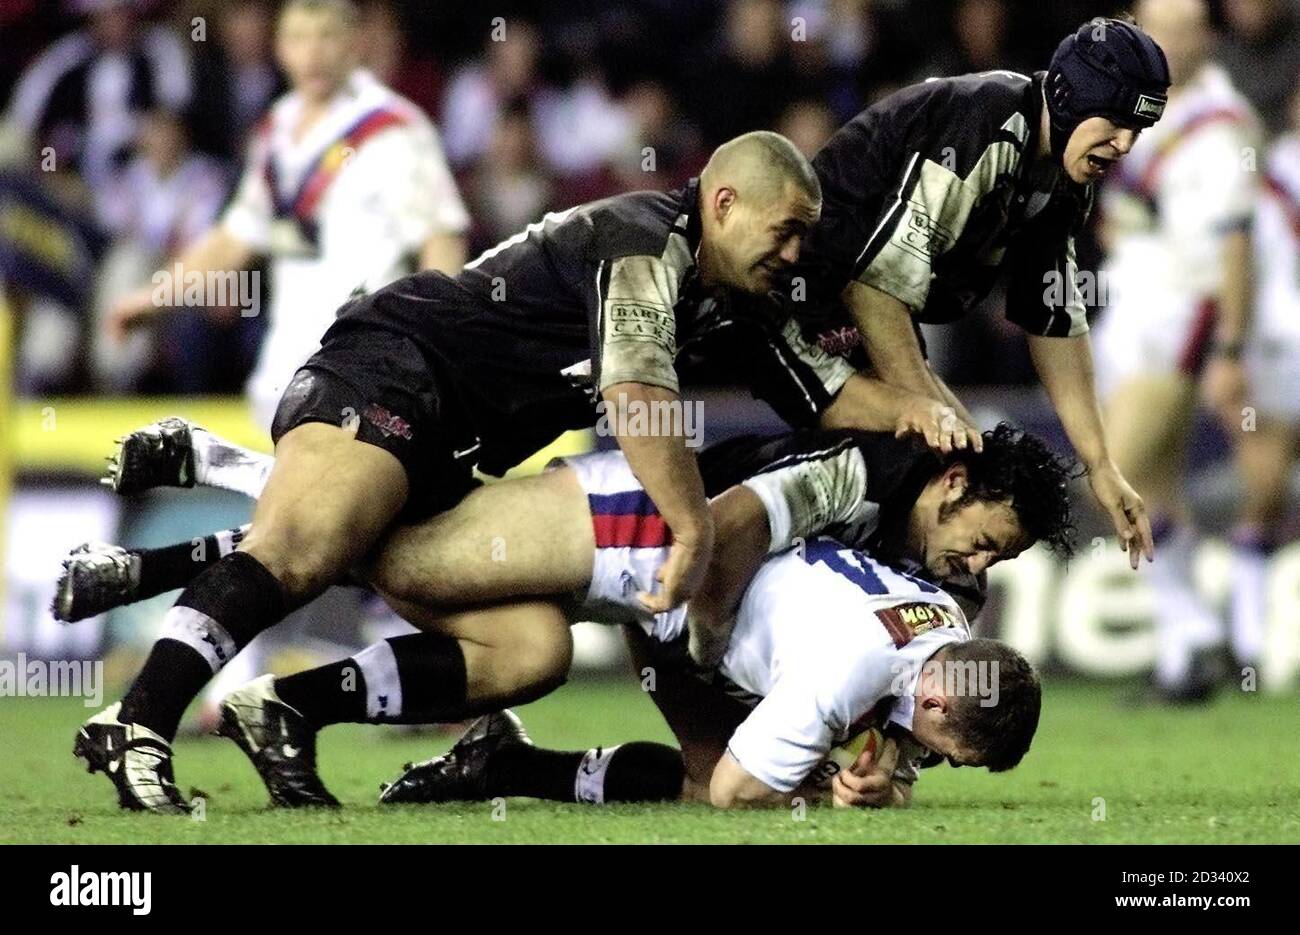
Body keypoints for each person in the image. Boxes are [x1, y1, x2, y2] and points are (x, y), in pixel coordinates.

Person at [70, 128, 952, 814]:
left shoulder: (733, 304)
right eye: (787, 231)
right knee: (310, 540)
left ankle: (281, 701)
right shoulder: (644, 239)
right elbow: (638, 391)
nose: (797, 254)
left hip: (456, 455)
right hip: (401, 367)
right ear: (723, 202)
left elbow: (834, 395)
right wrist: (692, 525)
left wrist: (934, 414)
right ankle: (139, 724)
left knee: (532, 649)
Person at [66, 421, 1071, 808]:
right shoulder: (861, 467)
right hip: (629, 527)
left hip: (660, 591)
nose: (982, 562)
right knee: (383, 546)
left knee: (529, 654)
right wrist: (766, 705)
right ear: (949, 482)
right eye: (987, 538)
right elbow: (721, 529)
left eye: (1002, 559)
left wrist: (880, 755)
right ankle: (202, 478)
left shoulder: (940, 586)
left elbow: (917, 675)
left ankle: (321, 717)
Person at [781, 17, 1170, 569]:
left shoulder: (1061, 180)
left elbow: (1054, 319)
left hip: (850, 314)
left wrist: (1101, 462)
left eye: (1139, 129)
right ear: (1067, 97)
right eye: (1115, 120)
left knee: (972, 470)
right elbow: (873, 291)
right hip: (792, 305)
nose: (1126, 143)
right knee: (932, 469)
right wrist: (927, 412)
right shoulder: (985, 126)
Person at [1091, 0, 1261, 701]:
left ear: (1207, 37)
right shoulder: (1136, 104)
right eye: (1162, 27)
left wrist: (1228, 347)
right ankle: (1184, 655)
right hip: (1125, 307)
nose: (1175, 42)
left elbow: (1235, 245)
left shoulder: (1223, 125)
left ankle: (1195, 631)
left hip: (1179, 320)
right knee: (1155, 490)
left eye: (1189, 29)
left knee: (1112, 473)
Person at [1227, 88, 1300, 676]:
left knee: (1266, 490)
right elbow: (1241, 261)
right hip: (1280, 345)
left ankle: (1250, 642)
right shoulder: (1269, 172)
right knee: (1265, 487)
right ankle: (1247, 642)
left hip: (1277, 342)